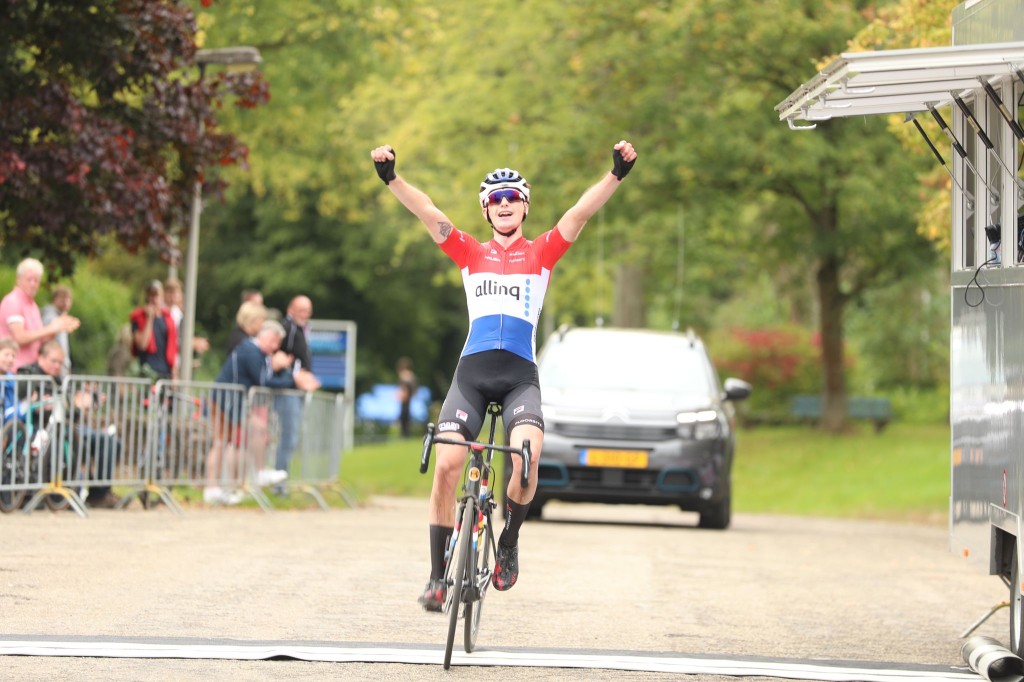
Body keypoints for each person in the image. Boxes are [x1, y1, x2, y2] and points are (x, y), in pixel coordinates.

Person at [370, 139, 637, 610]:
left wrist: (614, 174)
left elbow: (578, 214)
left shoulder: (542, 254)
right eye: (496, 199)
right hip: (472, 375)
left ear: (525, 207)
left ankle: (508, 541)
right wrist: (393, 178)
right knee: (447, 467)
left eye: (513, 197)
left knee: (527, 457)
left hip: (518, 378)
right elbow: (428, 212)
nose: (505, 203)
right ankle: (436, 578)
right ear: (486, 210)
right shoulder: (470, 253)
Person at [205, 320, 319, 505]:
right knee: (221, 442)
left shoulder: (257, 353)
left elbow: (265, 377)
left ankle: (253, 474)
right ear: (266, 336)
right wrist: (294, 381)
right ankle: (214, 487)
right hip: (225, 400)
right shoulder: (250, 350)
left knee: (251, 432)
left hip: (235, 401)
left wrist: (285, 373)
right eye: (274, 343)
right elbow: (263, 380)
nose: (275, 348)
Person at [18, 341, 123, 508]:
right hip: (38, 428)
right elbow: (20, 405)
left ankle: (99, 494)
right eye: (54, 361)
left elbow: (71, 412)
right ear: (41, 357)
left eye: (61, 363)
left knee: (110, 441)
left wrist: (83, 405)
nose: (57, 366)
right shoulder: (26, 375)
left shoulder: (62, 382)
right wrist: (38, 404)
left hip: (67, 429)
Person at [274, 296, 321, 491]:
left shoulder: (301, 329)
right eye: (300, 310)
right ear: (290, 309)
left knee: (291, 437)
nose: (304, 314)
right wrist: (296, 375)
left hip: (296, 390)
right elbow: (278, 355)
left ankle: (281, 480)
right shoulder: (288, 328)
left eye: (307, 310)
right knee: (288, 436)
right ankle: (279, 484)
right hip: (287, 390)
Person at [0, 258, 80, 371]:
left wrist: (58, 328)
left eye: (36, 281)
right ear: (18, 280)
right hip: (14, 372)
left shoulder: (33, 306)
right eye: (29, 280)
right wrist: (51, 328)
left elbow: (38, 339)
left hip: (30, 370)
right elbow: (19, 337)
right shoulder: (13, 301)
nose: (33, 284)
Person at [129, 280, 177, 380]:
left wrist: (174, 374)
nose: (153, 299)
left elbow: (173, 348)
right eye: (151, 295)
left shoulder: (168, 319)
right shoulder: (138, 317)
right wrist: (149, 318)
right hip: (146, 371)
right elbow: (142, 345)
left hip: (165, 373)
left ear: (162, 297)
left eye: (156, 295)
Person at [163, 277, 209, 370]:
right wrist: (192, 343)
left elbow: (179, 336)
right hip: (165, 361)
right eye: (170, 292)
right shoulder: (160, 312)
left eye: (175, 292)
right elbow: (169, 339)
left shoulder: (177, 313)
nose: (173, 296)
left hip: (176, 361)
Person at [40, 285, 73, 375]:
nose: (66, 303)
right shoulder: (50, 315)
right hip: (54, 364)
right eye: (63, 299)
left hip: (60, 363)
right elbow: (46, 338)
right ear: (55, 299)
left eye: (68, 299)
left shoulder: (61, 317)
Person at [396, 356, 417, 438]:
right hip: (409, 398)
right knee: (407, 415)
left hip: (405, 398)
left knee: (403, 416)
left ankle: (404, 434)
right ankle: (407, 433)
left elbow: (404, 387)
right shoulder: (412, 375)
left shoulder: (404, 375)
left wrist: (402, 394)